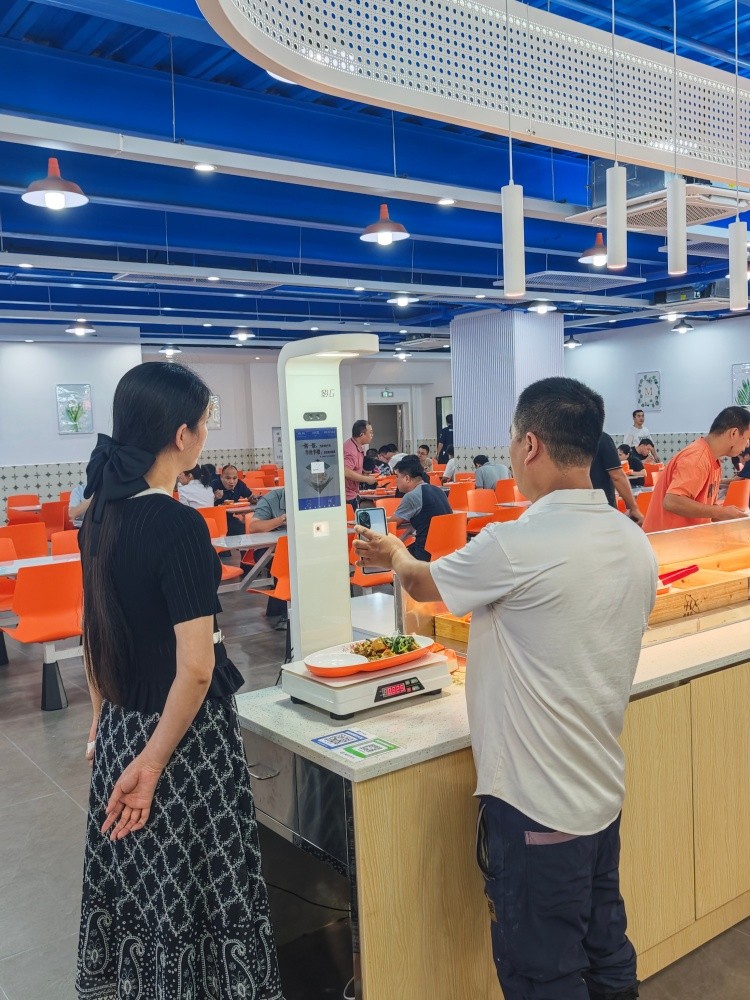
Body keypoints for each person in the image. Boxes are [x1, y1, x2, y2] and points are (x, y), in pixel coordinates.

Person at [355, 376, 658, 1000]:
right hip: (600, 792)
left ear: (531, 445)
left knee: (542, 972)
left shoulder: (517, 544)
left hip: (535, 803)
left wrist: (391, 554)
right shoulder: (633, 540)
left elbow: (423, 584)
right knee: (606, 949)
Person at [76, 362, 284, 1000]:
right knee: (202, 882)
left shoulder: (98, 515)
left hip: (121, 728)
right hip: (182, 744)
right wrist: (153, 762)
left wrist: (101, 722)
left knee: (142, 882)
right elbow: (195, 668)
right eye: (204, 425)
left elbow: (94, 634)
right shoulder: (176, 525)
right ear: (181, 435)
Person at [642, 407, 750, 533]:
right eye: (747, 438)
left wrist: (728, 516)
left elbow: (706, 508)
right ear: (734, 433)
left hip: (687, 537)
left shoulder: (713, 460)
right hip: (665, 540)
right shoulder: (697, 458)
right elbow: (672, 502)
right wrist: (720, 512)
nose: (747, 444)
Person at [390, 454, 451, 561]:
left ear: (407, 478)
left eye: (397, 476)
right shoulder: (438, 490)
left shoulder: (412, 496)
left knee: (391, 558)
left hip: (425, 552)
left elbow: (392, 524)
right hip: (448, 549)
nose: (395, 481)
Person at [248, 487, 288, 630]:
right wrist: (282, 519)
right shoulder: (271, 499)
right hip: (267, 550)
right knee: (286, 564)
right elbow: (253, 527)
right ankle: (287, 614)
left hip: (293, 549)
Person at [590, 433, 643, 525]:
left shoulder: (564, 438)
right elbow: (617, 476)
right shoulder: (601, 438)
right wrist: (633, 508)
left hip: (570, 506)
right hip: (602, 506)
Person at [343, 419, 378, 507]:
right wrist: (366, 479)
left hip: (353, 493)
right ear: (362, 435)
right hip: (347, 496)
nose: (372, 435)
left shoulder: (357, 446)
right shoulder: (350, 450)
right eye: (370, 432)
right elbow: (345, 471)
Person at [211, 464, 253, 535]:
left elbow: (250, 497)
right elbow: (204, 505)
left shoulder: (239, 484)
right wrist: (214, 498)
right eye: (228, 478)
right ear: (221, 477)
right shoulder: (213, 485)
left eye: (234, 478)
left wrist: (254, 499)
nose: (232, 482)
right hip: (214, 520)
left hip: (230, 518)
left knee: (243, 527)